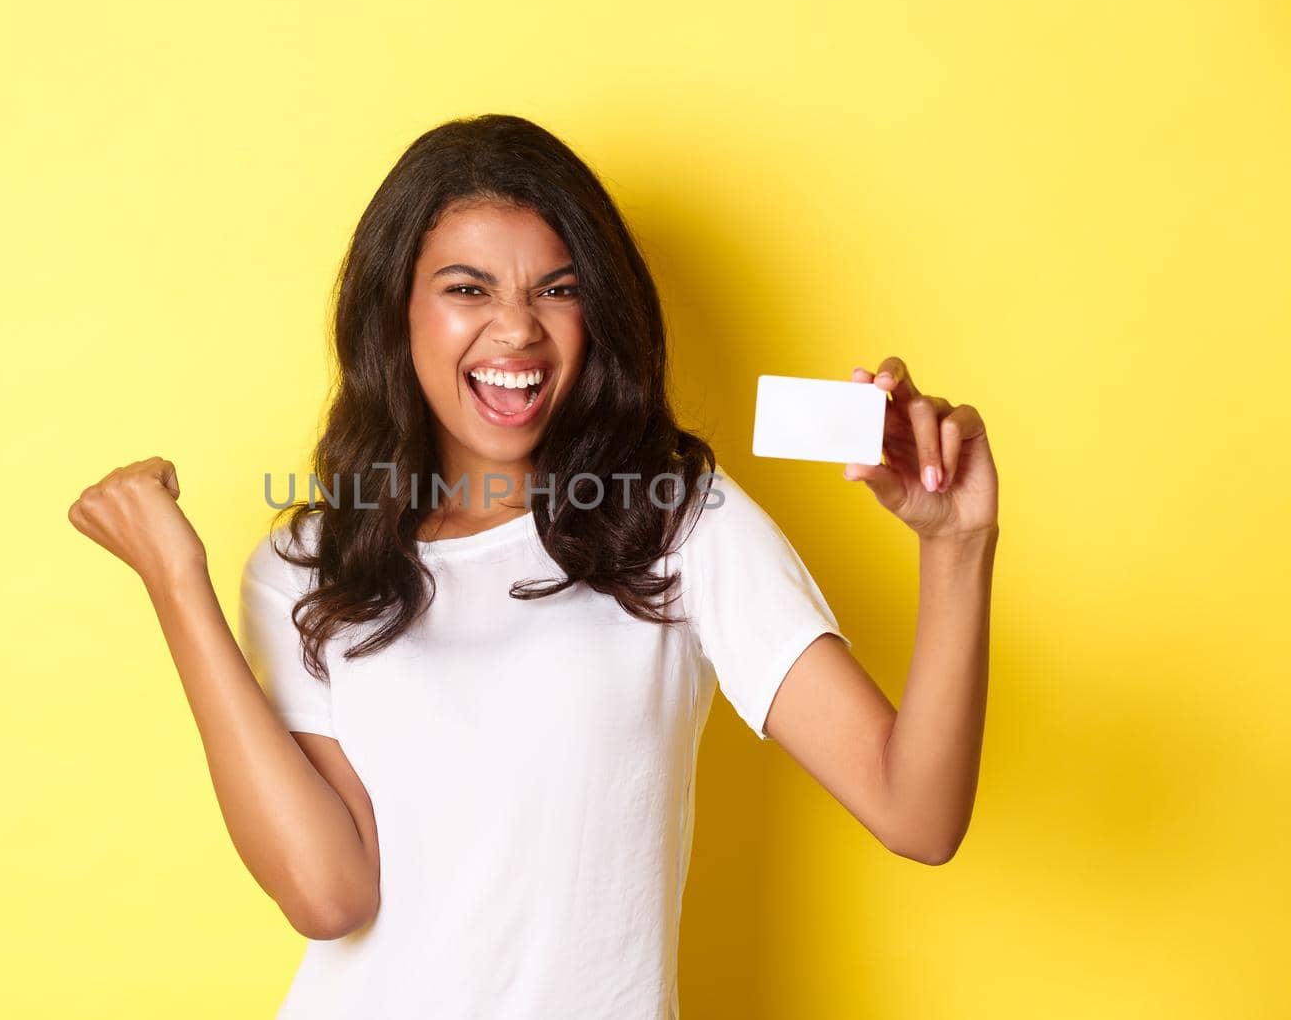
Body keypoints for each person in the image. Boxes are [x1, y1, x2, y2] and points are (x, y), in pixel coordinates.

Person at [67, 114, 1000, 1019]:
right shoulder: (309, 566)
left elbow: (914, 813)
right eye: (467, 289)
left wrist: (956, 548)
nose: (516, 331)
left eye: (556, 289)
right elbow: (329, 894)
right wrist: (175, 580)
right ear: (397, 313)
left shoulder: (677, 522)